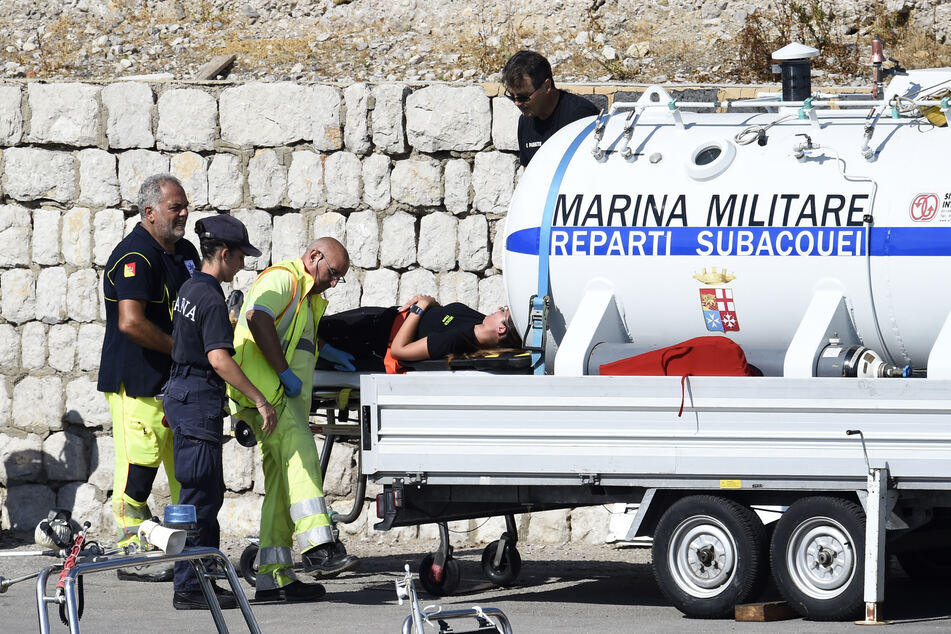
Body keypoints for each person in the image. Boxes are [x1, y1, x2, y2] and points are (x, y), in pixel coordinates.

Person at [228, 237, 359, 603]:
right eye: (333, 273)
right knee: (303, 460)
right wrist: (283, 373)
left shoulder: (308, 297)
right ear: (314, 256)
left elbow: (293, 340)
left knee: (283, 488)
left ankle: (274, 579)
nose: (334, 283)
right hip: (268, 396)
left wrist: (321, 350)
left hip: (277, 398)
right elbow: (256, 317)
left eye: (340, 279)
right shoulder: (284, 279)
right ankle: (318, 546)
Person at [163, 215, 277, 610]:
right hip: (197, 399)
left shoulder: (190, 288)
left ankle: (198, 581)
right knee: (200, 496)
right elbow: (218, 358)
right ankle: (191, 587)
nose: (244, 264)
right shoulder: (210, 297)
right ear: (224, 254)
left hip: (182, 393)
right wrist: (260, 398)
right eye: (241, 256)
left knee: (200, 491)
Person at [97, 174, 199, 582]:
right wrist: (181, 348)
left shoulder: (185, 252)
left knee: (185, 471)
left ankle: (186, 549)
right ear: (150, 212)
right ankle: (129, 553)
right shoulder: (134, 256)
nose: (185, 213)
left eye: (185, 205)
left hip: (177, 384)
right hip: (137, 384)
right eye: (176, 207)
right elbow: (131, 323)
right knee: (137, 469)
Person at [318, 296, 521, 372]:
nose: (498, 308)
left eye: (502, 311)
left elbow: (399, 350)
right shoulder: (478, 319)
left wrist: (419, 309)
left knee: (310, 332)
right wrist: (427, 301)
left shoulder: (458, 339)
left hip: (371, 340)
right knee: (312, 326)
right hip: (382, 317)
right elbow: (443, 312)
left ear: (501, 328)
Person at [502, 49, 600, 167]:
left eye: (523, 97)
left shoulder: (580, 116)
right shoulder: (525, 122)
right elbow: (529, 173)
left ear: (547, 86)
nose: (517, 103)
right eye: (512, 97)